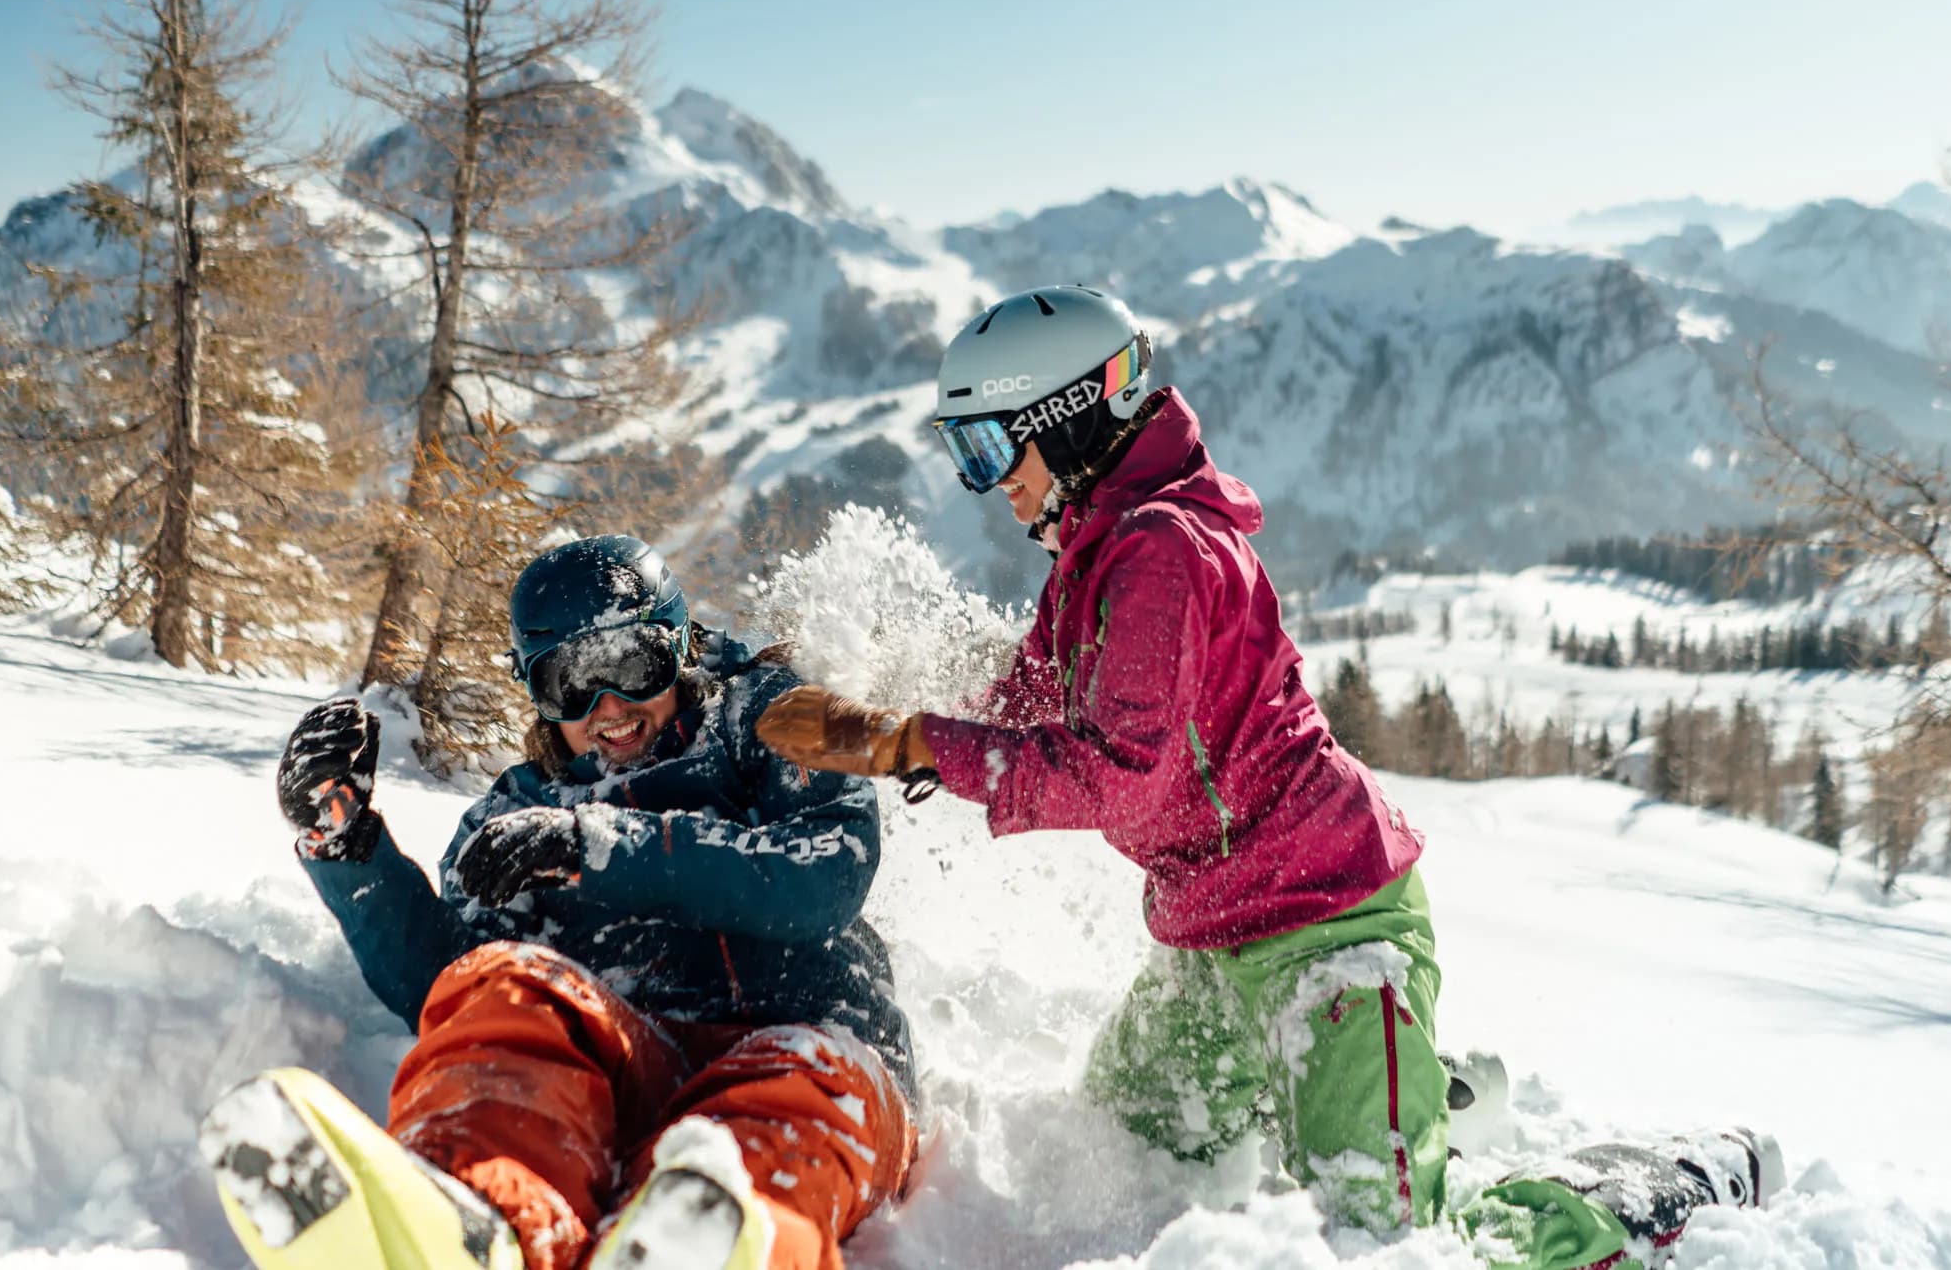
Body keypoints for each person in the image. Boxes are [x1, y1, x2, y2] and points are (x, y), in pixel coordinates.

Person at [757, 286, 1444, 1235]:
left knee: (1388, 1245)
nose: (987, 481)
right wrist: (854, 698)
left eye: (990, 447)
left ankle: (1610, 1208)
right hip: (1209, 941)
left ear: (1067, 420)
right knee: (1117, 1152)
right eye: (967, 453)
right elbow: (1019, 711)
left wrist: (900, 740)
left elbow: (1116, 772)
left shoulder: (1161, 551)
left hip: (1330, 935)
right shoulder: (1094, 551)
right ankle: (1417, 1091)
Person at [201, 534, 917, 1270]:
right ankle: (481, 1224)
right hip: (637, 1057)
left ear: (677, 648)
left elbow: (827, 874)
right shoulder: (520, 811)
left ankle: (720, 1232)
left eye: (631, 665)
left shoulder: (767, 722)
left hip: (819, 1042)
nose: (609, 706)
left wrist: (597, 848)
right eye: (570, 683)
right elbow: (450, 981)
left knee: (784, 1092)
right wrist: (350, 847)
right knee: (507, 991)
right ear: (536, 694)